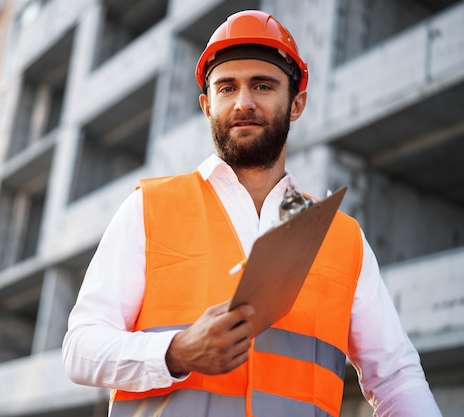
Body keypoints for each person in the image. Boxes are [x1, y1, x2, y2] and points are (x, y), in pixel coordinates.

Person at [62, 9, 443, 417]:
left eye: (262, 85)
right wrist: (176, 352)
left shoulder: (341, 237)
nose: (243, 102)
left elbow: (395, 377)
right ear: (207, 105)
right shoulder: (149, 208)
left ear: (296, 104)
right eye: (227, 88)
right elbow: (80, 349)